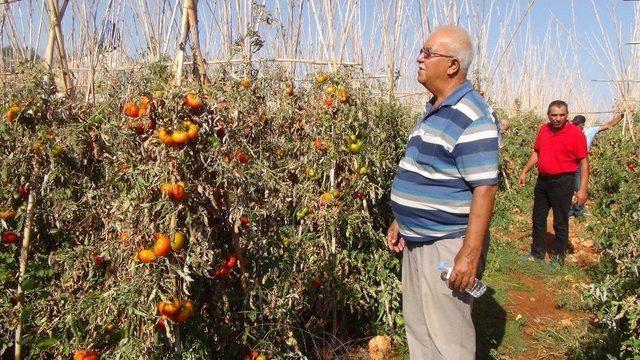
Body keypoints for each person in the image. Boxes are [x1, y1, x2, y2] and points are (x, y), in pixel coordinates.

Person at [386, 25, 499, 359]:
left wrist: (469, 253)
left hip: (447, 244)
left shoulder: (472, 115)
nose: (419, 58)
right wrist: (401, 219)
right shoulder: (435, 108)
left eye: (427, 52)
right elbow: (424, 172)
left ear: (452, 65)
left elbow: (485, 188)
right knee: (419, 329)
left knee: (449, 339)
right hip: (418, 241)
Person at [517, 101, 588, 266]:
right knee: (538, 218)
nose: (558, 119)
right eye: (554, 115)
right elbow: (537, 152)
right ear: (548, 115)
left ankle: (557, 259)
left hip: (563, 181)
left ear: (567, 115)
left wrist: (582, 189)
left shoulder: (575, 133)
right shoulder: (544, 129)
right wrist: (525, 170)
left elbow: (584, 161)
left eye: (562, 115)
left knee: (560, 221)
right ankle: (537, 254)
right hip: (543, 181)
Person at [569, 113, 624, 217]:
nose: (575, 126)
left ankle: (578, 212)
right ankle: (569, 212)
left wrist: (621, 116)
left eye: (577, 125)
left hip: (580, 162)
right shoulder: (570, 131)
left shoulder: (589, 131)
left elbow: (608, 125)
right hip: (569, 161)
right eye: (574, 124)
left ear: (582, 125)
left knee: (579, 186)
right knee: (567, 186)